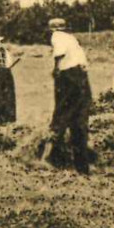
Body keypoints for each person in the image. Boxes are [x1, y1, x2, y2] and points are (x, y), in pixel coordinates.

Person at [45, 18, 93, 174]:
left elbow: (59, 54)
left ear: (53, 29)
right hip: (82, 78)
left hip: (69, 77)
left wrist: (56, 70)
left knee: (61, 114)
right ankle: (82, 166)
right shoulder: (72, 38)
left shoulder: (57, 36)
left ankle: (51, 156)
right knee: (79, 120)